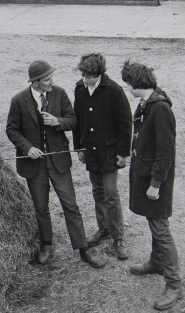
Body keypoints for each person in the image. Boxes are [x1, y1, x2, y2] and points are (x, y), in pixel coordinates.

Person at [6, 60, 106, 268]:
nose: (51, 82)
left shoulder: (59, 94)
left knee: (71, 205)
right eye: (47, 79)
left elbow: (73, 120)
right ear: (35, 82)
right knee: (41, 207)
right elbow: (12, 130)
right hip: (35, 165)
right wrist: (28, 148)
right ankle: (46, 245)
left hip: (58, 162)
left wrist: (58, 122)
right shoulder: (18, 101)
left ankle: (83, 249)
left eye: (51, 78)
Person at [121, 60, 183, 311]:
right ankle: (157, 262)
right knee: (152, 221)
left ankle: (175, 284)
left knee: (161, 229)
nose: (128, 87)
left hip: (156, 180)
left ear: (137, 84)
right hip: (146, 176)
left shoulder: (160, 109)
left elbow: (166, 152)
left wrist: (156, 183)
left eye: (129, 83)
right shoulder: (147, 104)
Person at [72, 53, 132, 260]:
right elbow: (78, 119)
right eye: (82, 75)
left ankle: (118, 237)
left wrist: (123, 153)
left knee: (111, 194)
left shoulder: (113, 90)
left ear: (98, 74)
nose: (84, 79)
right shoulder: (80, 89)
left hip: (109, 153)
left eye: (88, 76)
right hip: (91, 152)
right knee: (97, 191)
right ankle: (103, 228)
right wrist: (79, 147)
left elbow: (126, 123)